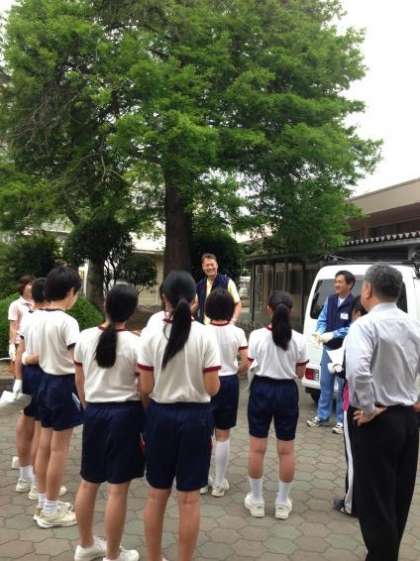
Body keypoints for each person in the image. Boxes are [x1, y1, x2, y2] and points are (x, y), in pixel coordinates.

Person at [138, 271, 221, 561]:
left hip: (160, 416)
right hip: (196, 419)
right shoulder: (205, 335)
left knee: (156, 495)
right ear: (196, 299)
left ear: (164, 297)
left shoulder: (150, 334)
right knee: (189, 499)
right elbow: (212, 387)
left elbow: (145, 386)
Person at [346, 263, 420, 561]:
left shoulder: (365, 325)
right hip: (408, 420)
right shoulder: (413, 324)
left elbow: (357, 371)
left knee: (375, 500)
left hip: (377, 420)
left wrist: (368, 407)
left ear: (367, 289)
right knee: (398, 497)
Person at [74, 284, 144, 561]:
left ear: (105, 304)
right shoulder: (137, 344)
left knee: (88, 482)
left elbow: (79, 379)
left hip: (94, 414)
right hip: (125, 417)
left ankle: (85, 545)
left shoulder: (84, 338)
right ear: (132, 311)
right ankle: (113, 556)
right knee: (117, 489)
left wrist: (88, 407)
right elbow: (144, 386)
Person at [245, 291, 308, 520]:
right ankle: (282, 503)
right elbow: (300, 373)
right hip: (287, 392)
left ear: (268, 309)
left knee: (256, 449)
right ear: (291, 311)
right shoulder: (299, 339)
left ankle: (257, 501)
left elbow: (250, 364)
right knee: (286, 450)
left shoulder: (256, 336)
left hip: (261, 390)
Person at [34, 266, 83, 528]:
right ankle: (51, 511)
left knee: (45, 444)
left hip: (44, 382)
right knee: (59, 450)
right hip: (63, 386)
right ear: (71, 292)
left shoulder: (38, 317)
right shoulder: (67, 322)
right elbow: (78, 362)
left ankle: (44, 502)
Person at [202, 288, 248, 497]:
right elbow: (246, 360)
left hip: (204, 382)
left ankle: (202, 481)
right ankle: (220, 483)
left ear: (208, 308)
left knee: (203, 433)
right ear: (230, 309)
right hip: (229, 382)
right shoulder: (237, 333)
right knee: (223, 434)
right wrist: (236, 371)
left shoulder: (202, 331)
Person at [328, 296, 367, 517]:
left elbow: (352, 371)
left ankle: (352, 504)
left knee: (354, 455)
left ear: (358, 313)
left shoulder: (357, 333)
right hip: (389, 407)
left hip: (356, 403)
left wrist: (337, 367)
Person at [307, 270, 355, 434]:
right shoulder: (331, 299)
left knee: (342, 387)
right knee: (325, 384)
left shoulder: (354, 303)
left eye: (340, 282)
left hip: (344, 351)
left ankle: (341, 421)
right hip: (328, 350)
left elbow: (353, 327)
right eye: (336, 281)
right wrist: (319, 333)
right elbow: (322, 319)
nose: (336, 285)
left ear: (350, 284)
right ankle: (322, 416)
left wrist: (334, 334)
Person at [196, 253, 241, 324]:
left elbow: (238, 304)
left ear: (217, 265)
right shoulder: (200, 285)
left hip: (224, 326)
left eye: (212, 264)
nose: (210, 267)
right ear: (203, 267)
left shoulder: (227, 282)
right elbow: (197, 303)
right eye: (207, 265)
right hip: (205, 327)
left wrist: (232, 321)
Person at [8, 275, 34, 368]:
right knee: (19, 371)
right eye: (30, 284)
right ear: (22, 287)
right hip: (20, 343)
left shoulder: (39, 303)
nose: (33, 286)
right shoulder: (15, 305)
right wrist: (12, 345)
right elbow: (13, 326)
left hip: (36, 342)